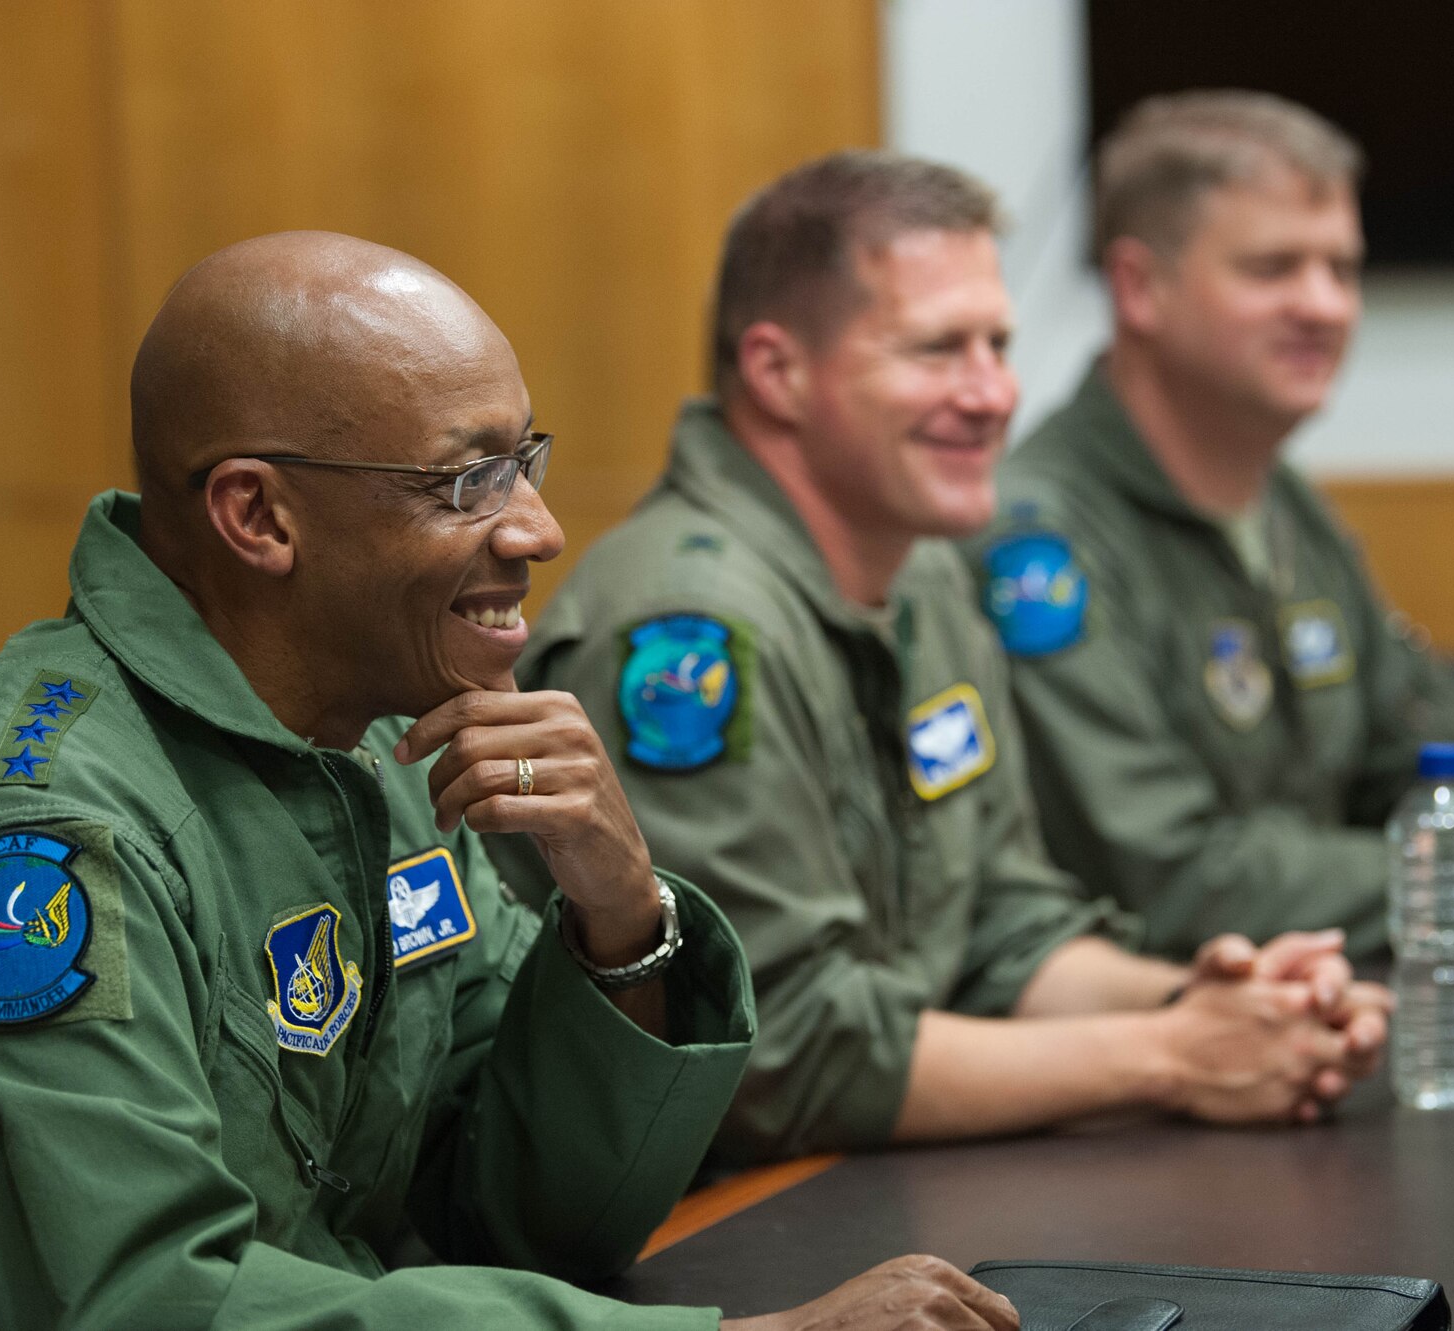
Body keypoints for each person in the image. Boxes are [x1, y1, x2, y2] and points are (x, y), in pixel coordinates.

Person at [0, 231, 1020, 1331]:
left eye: (524, 460)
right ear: (258, 516)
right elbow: (143, 1302)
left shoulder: (374, 744)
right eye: (467, 481)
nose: (538, 529)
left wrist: (617, 917)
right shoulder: (32, 830)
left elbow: (515, 1214)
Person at [515, 151, 1388, 1167]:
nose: (992, 394)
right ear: (777, 371)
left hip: (872, 1175)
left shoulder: (922, 572)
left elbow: (1000, 927)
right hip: (709, 1217)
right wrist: (1174, 1054)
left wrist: (1221, 1001)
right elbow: (778, 1050)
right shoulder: (692, 629)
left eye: (998, 344)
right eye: (936, 350)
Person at [972, 90, 1454, 958]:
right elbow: (1172, 878)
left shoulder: (1285, 505)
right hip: (1153, 1048)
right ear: (1139, 287)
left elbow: (1434, 758)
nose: (1325, 305)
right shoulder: (1034, 541)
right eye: (1273, 269)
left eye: (1341, 269)